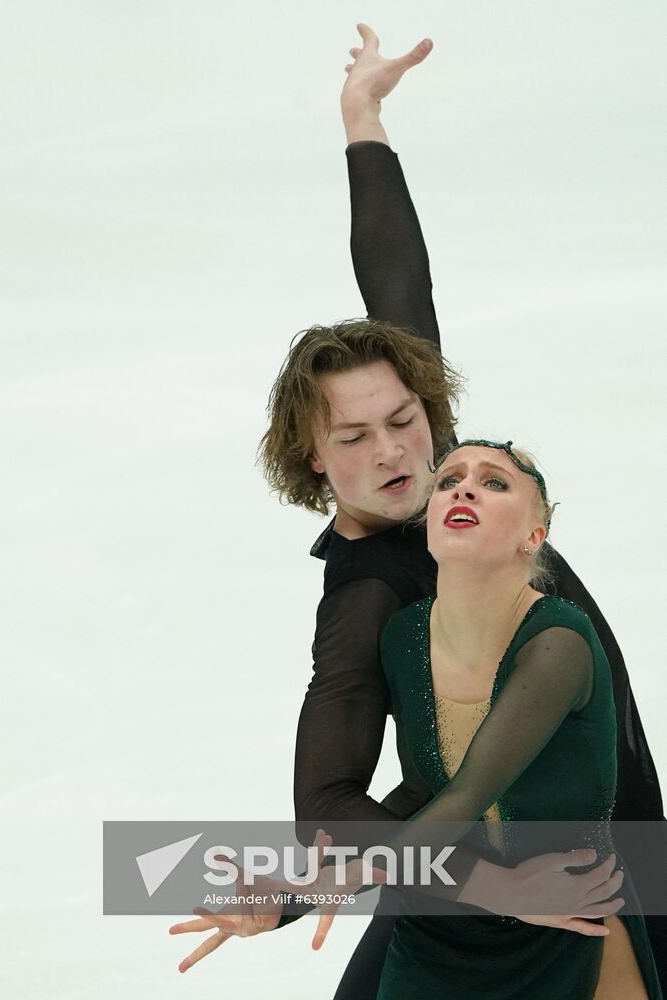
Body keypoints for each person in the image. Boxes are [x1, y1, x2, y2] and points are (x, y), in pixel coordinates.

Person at [170, 24, 666, 994]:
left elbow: (398, 285)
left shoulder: (452, 481)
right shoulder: (369, 600)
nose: (395, 450)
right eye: (354, 438)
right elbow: (329, 803)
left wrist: (364, 119)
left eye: (404, 418)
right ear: (312, 457)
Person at [362, 438, 661, 997]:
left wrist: (309, 889)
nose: (464, 487)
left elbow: (465, 796)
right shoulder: (403, 637)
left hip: (571, 918)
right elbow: (425, 791)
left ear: (535, 536)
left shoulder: (559, 642)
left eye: (494, 482)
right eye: (448, 481)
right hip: (441, 934)